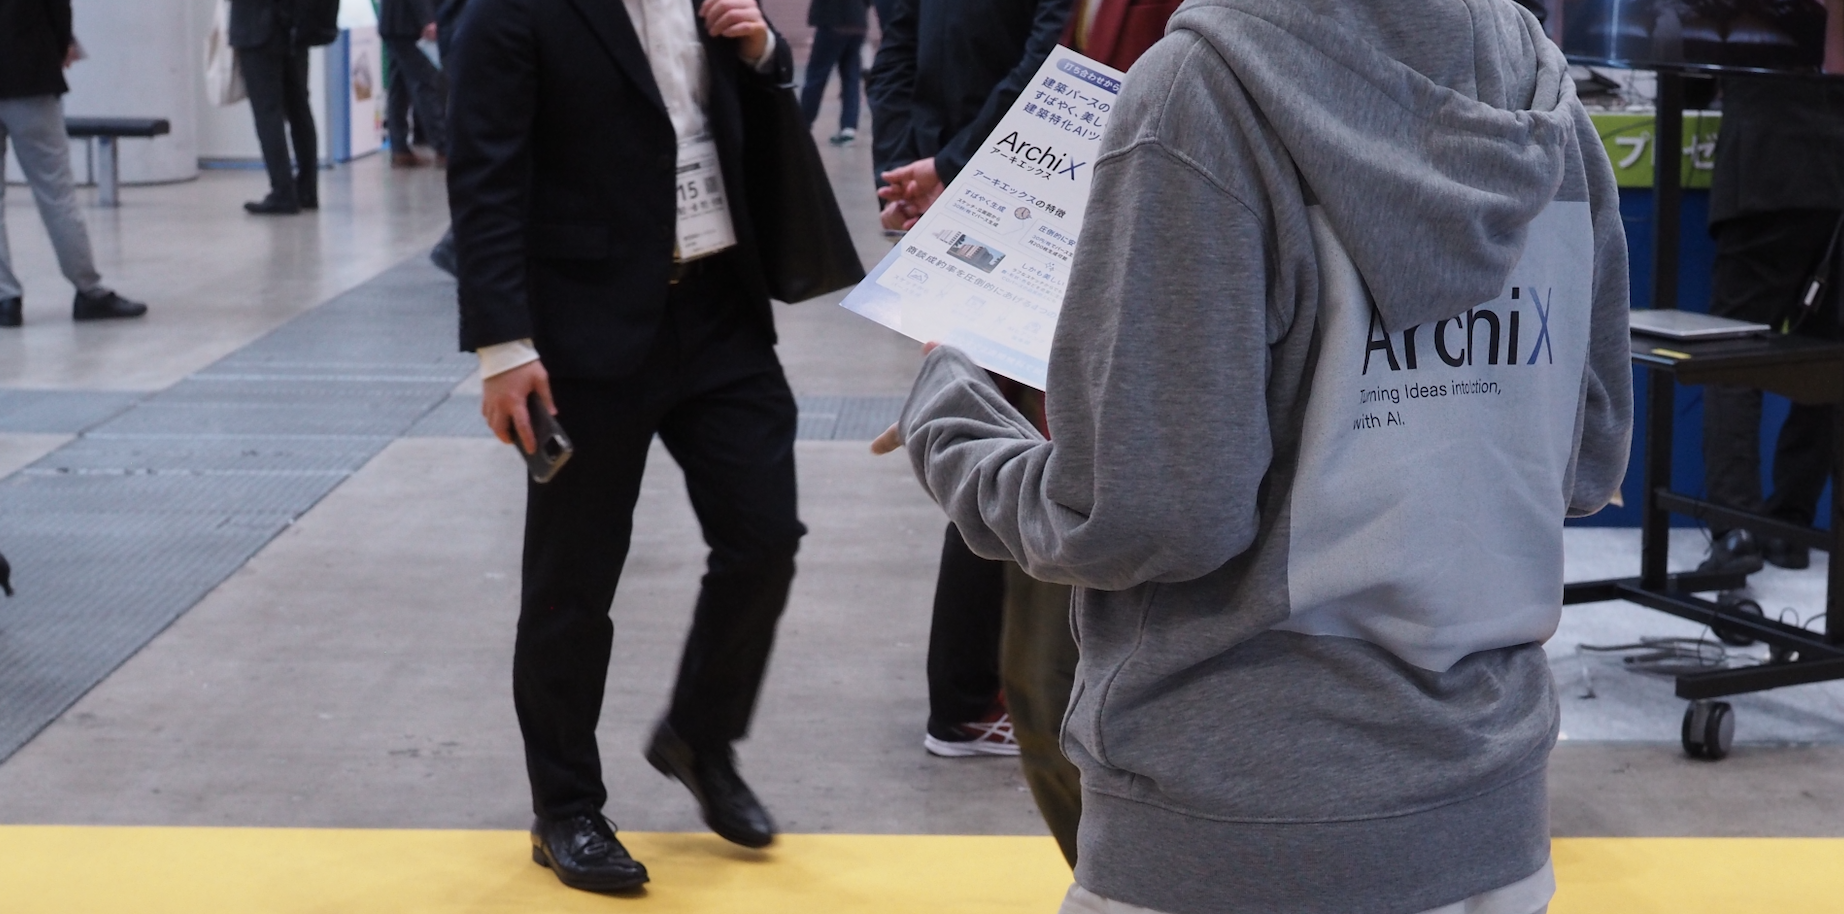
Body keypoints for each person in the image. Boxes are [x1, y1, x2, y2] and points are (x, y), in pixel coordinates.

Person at [876, 0, 1633, 911]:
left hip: (1236, 830)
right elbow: (1588, 456)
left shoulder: (1203, 93)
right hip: (1490, 823)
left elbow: (1152, 518)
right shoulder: (1542, 101)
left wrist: (950, 411)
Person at [447, 0, 801, 895]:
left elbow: (729, 113)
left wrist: (763, 49)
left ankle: (699, 736)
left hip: (719, 309)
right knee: (572, 579)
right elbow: (484, 173)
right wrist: (502, 346)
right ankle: (565, 805)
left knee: (764, 536)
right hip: (582, 327)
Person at [1698, 74, 1844, 576]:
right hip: (1836, 181)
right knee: (1826, 359)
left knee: (1731, 356)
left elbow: (1692, 62)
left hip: (1765, 165)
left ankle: (1736, 529)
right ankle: (1791, 527)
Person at [0, 0, 148, 327]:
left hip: (29, 71)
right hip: (29, 76)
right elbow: (57, 10)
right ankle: (88, 290)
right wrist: (59, 48)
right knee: (56, 193)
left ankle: (4, 299)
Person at [229, 0, 324, 215]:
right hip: (294, 29)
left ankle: (282, 192)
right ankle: (307, 189)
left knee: (267, 113)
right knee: (299, 109)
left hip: (257, 27)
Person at [380, 0, 448, 167]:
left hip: (394, 22)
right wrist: (426, 19)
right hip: (409, 23)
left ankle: (399, 148)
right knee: (425, 84)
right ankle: (443, 147)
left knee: (399, 88)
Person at [798, 0, 870, 145]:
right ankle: (848, 128)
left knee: (816, 75)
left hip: (832, 19)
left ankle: (803, 123)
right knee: (851, 76)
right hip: (858, 21)